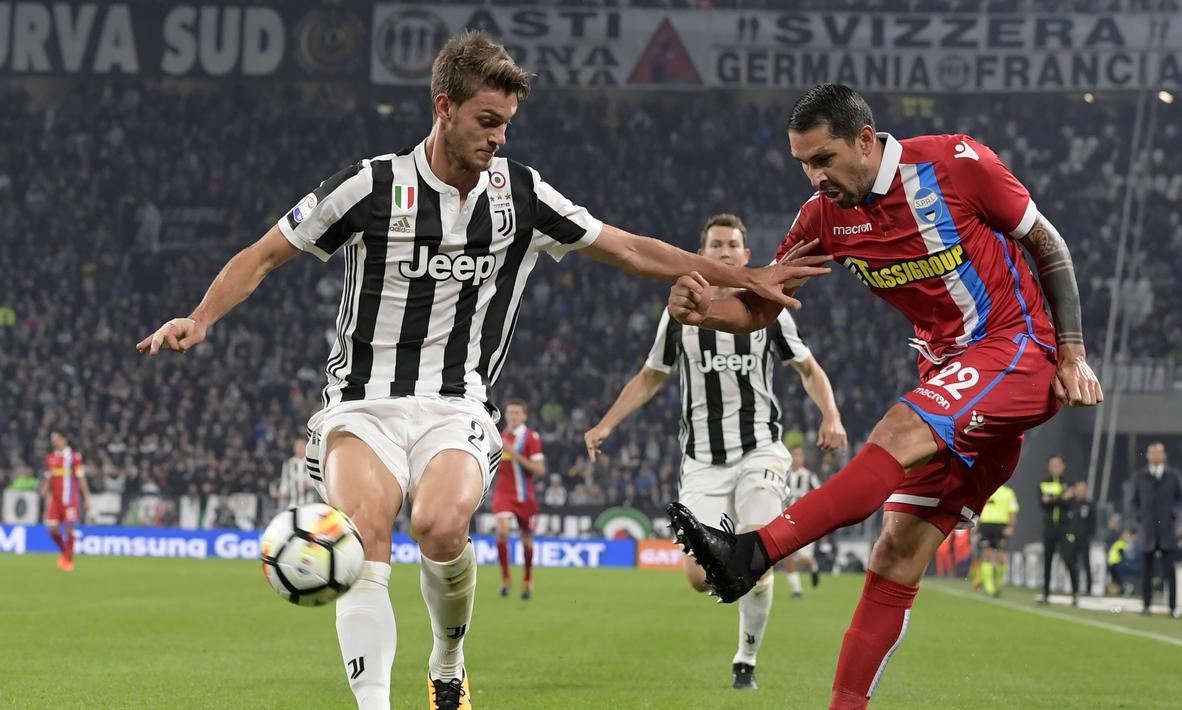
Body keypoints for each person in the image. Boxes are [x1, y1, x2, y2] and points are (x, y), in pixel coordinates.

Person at [135, 31, 824, 710]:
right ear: (443, 108)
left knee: (438, 526)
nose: (497, 137)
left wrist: (743, 275)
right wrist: (201, 317)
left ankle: (447, 661)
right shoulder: (371, 186)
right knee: (366, 529)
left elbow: (629, 250)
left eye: (506, 125)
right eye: (485, 121)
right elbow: (262, 254)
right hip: (359, 405)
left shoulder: (519, 193)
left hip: (457, 405)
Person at [665, 83, 1103, 709]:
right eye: (803, 165)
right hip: (950, 381)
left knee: (896, 430)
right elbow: (763, 305)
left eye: (823, 159)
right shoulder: (822, 217)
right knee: (895, 551)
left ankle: (753, 553)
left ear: (865, 140)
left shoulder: (956, 163)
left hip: (1017, 348)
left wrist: (1073, 350)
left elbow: (1048, 244)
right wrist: (706, 311)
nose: (814, 177)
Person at [585, 213, 846, 691]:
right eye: (716, 246)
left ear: (746, 256)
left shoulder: (770, 310)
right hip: (702, 461)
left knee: (758, 552)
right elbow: (651, 376)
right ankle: (743, 601)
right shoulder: (680, 314)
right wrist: (606, 422)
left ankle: (745, 658)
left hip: (760, 452)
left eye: (733, 246)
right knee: (697, 577)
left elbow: (809, 370)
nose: (725, 253)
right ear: (701, 254)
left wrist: (831, 414)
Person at [492, 399, 545, 600]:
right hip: (503, 494)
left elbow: (540, 470)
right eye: (510, 412)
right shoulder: (499, 437)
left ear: (524, 416)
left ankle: (527, 580)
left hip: (525, 496)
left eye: (517, 413)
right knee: (502, 531)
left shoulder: (531, 437)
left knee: (526, 539)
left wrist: (514, 454)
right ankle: (506, 578)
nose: (512, 416)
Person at [1132, 442, 1182, 618]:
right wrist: (1141, 516)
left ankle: (1172, 607)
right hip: (1148, 531)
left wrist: (1173, 514)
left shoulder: (1173, 475)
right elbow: (1134, 501)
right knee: (1147, 572)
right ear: (1148, 456)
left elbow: (1181, 499)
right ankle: (1146, 605)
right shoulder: (1141, 476)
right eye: (1152, 453)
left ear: (1164, 455)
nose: (1155, 456)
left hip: (1167, 531)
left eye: (1158, 453)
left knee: (1170, 572)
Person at [40, 431, 90, 572]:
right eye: (53, 439)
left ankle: (68, 560)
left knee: (69, 528)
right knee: (51, 527)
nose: (54, 442)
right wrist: (45, 488)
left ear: (65, 439)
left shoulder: (74, 457)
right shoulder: (50, 458)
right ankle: (65, 553)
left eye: (56, 439)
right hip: (55, 500)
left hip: (69, 499)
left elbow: (80, 477)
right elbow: (49, 477)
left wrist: (86, 496)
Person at [784, 446, 826, 597]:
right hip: (787, 521)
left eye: (799, 455)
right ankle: (797, 591)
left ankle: (814, 567)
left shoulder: (809, 476)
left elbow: (821, 495)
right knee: (789, 556)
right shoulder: (784, 476)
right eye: (794, 455)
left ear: (803, 458)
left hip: (806, 522)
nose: (797, 458)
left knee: (804, 559)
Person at [1038, 455, 1078, 605]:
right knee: (1047, 561)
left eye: (1057, 464)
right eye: (1052, 465)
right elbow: (1043, 505)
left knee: (1069, 559)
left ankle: (1075, 594)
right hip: (1049, 527)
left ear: (1063, 466)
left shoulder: (1069, 482)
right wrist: (1061, 497)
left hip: (1064, 527)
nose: (1055, 467)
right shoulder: (1044, 483)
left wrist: (1053, 499)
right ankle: (1046, 594)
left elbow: (1070, 503)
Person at [976, 484, 1018, 597]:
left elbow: (1013, 511)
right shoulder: (986, 489)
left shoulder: (1009, 492)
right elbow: (978, 508)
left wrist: (1010, 527)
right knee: (987, 555)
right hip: (986, 526)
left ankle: (999, 583)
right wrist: (977, 526)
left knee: (1001, 558)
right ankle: (989, 586)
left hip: (1001, 527)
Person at [1066, 480, 1096, 596]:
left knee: (1086, 564)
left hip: (1084, 539)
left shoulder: (1089, 504)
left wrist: (1089, 536)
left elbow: (1093, 523)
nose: (1081, 491)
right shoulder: (1070, 504)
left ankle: (1089, 589)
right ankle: (1074, 587)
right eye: (1079, 489)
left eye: (1083, 489)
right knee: (1071, 562)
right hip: (1071, 538)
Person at [277, 437, 318, 510]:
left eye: (301, 446)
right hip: (292, 503)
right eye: (297, 446)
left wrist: (311, 485)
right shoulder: (288, 463)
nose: (299, 448)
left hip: (309, 502)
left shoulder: (312, 462)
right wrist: (283, 492)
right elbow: (284, 481)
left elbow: (318, 482)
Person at [1106, 528, 1137, 596]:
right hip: (1116, 563)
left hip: (1113, 563)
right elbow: (1123, 555)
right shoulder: (1121, 543)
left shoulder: (1118, 543)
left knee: (1118, 580)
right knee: (1119, 579)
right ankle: (1126, 588)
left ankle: (1124, 589)